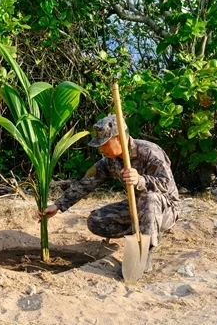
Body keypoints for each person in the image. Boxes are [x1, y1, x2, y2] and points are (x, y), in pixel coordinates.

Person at [41, 115, 180, 274]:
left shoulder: (149, 152)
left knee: (149, 198)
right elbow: (86, 183)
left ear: (119, 138)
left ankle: (143, 253)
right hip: (135, 206)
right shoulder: (110, 160)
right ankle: (144, 230)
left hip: (165, 209)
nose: (101, 149)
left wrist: (140, 180)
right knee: (96, 221)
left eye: (104, 144)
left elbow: (166, 184)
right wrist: (58, 205)